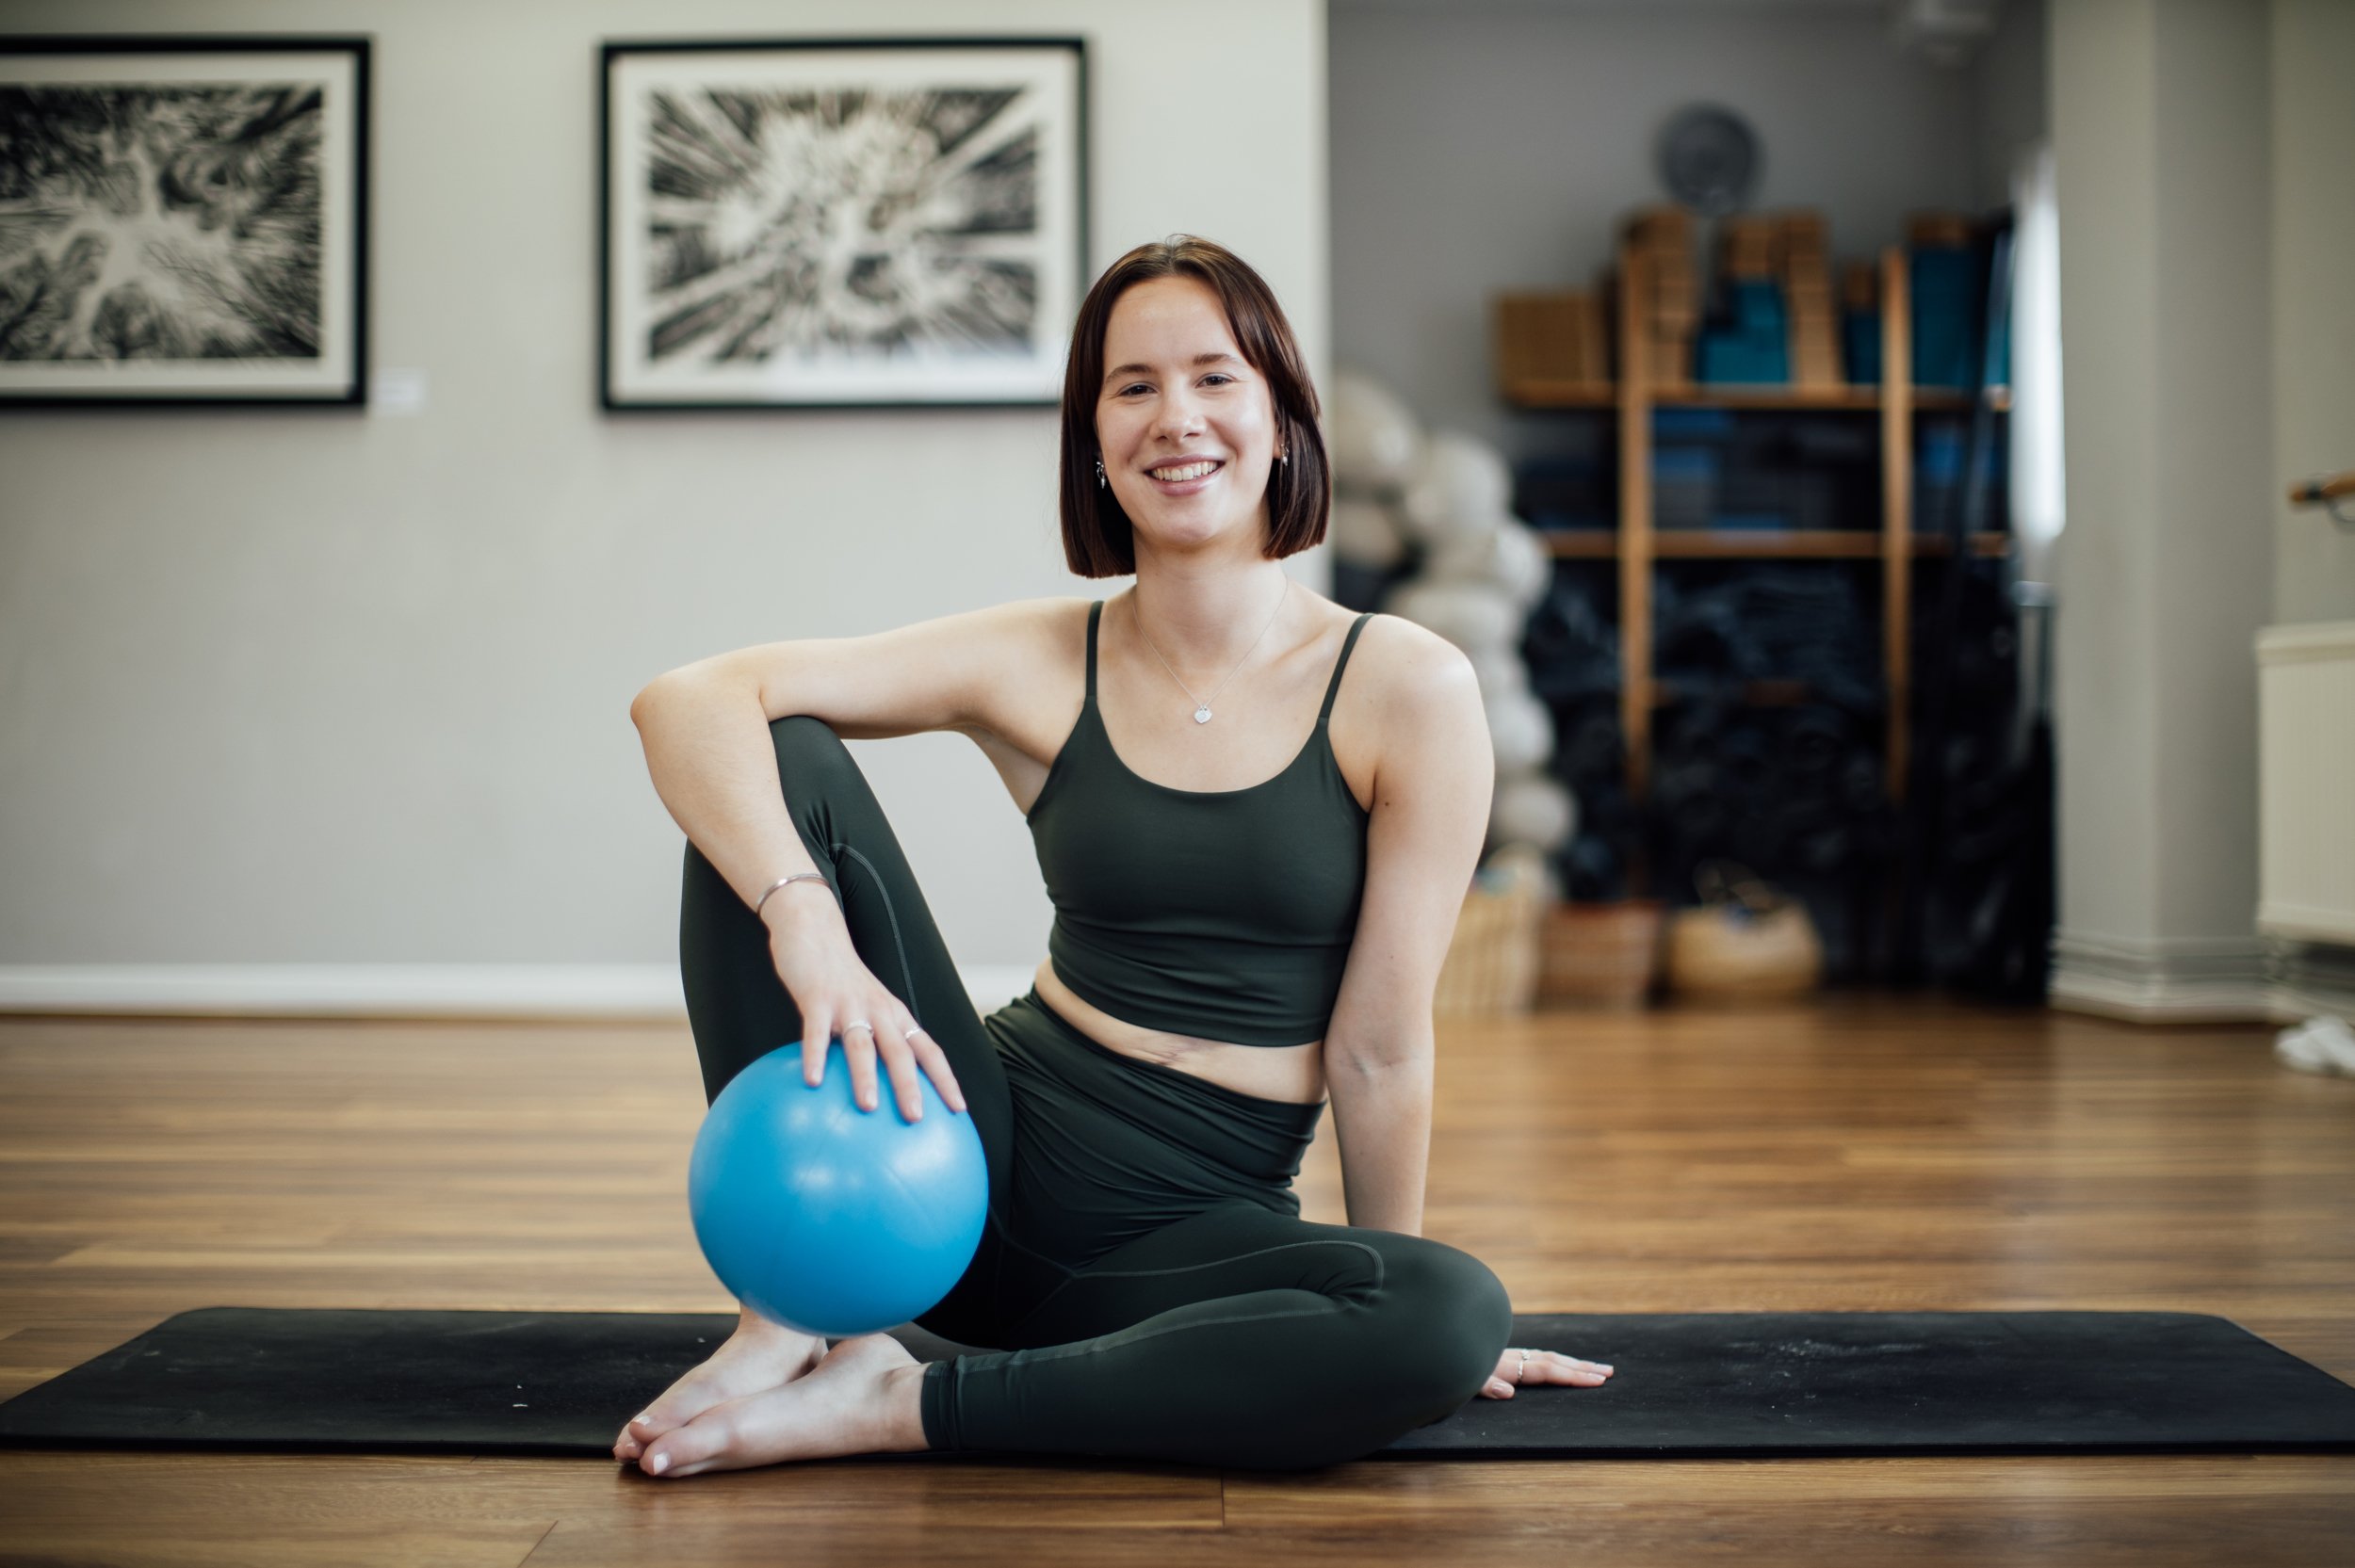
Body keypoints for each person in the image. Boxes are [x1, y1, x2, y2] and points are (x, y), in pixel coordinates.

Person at [615, 235, 1616, 1479]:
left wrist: (1384, 1290)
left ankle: (890, 1400)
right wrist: (805, 922)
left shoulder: (1407, 687)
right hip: (962, 1162)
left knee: (1453, 1311)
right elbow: (690, 697)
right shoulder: (1039, 656)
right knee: (781, 758)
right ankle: (797, 1311)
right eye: (1132, 385)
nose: (1175, 418)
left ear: (1283, 420)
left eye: (1213, 377)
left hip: (1185, 1242)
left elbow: (1379, 1042)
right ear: (1095, 437)